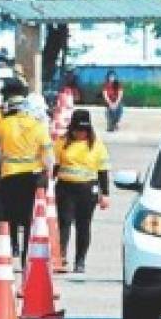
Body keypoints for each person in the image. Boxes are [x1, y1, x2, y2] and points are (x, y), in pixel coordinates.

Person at [0, 79, 53, 264]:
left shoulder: (0, 120)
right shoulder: (37, 122)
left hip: (8, 175)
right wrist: (48, 172)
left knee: (7, 216)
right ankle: (26, 256)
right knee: (28, 219)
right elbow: (47, 150)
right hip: (32, 177)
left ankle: (10, 250)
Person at [52, 109, 110, 274]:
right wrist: (47, 182)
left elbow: (103, 170)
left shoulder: (97, 145)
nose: (81, 134)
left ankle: (80, 260)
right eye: (78, 130)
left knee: (83, 226)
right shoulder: (62, 142)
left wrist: (105, 194)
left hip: (87, 191)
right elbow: (54, 166)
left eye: (84, 130)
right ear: (72, 129)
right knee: (64, 222)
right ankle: (61, 256)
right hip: (65, 189)